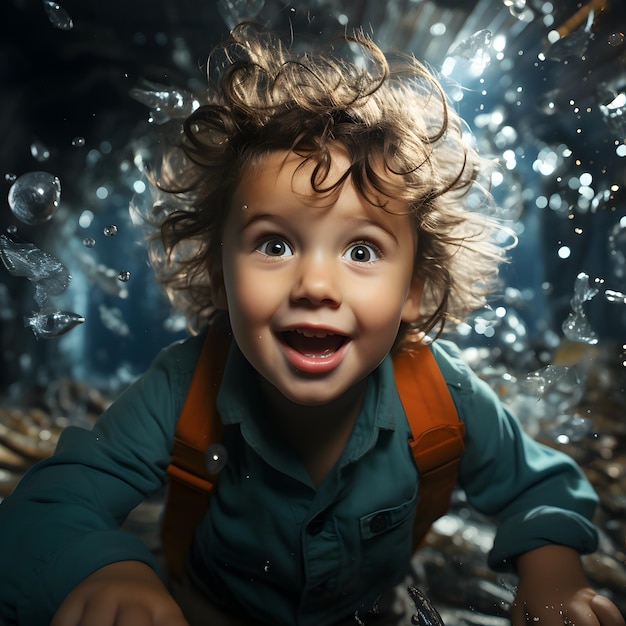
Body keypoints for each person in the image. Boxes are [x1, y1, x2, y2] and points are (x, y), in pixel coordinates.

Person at [0, 23, 623, 626]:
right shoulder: (181, 389)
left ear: (416, 290)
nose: (316, 286)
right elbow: (46, 506)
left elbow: (540, 485)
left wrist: (553, 569)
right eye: (274, 245)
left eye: (361, 251)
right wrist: (102, 570)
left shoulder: (441, 396)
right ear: (220, 276)